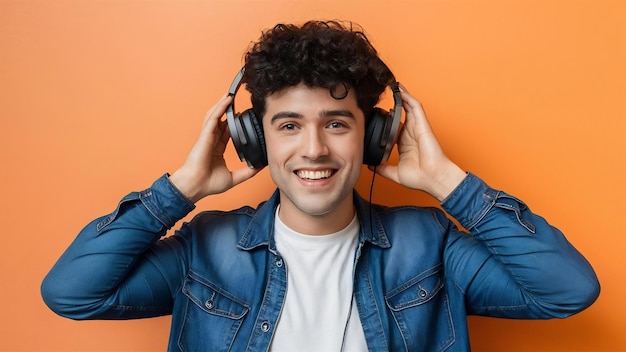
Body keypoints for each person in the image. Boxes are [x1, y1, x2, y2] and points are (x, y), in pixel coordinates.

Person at [41, 20, 599, 351]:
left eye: (336, 123)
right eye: (289, 125)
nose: (314, 149)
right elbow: (73, 294)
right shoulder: (205, 248)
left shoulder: (429, 244)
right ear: (256, 139)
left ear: (374, 137)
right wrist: (181, 189)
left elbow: (566, 291)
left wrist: (449, 184)